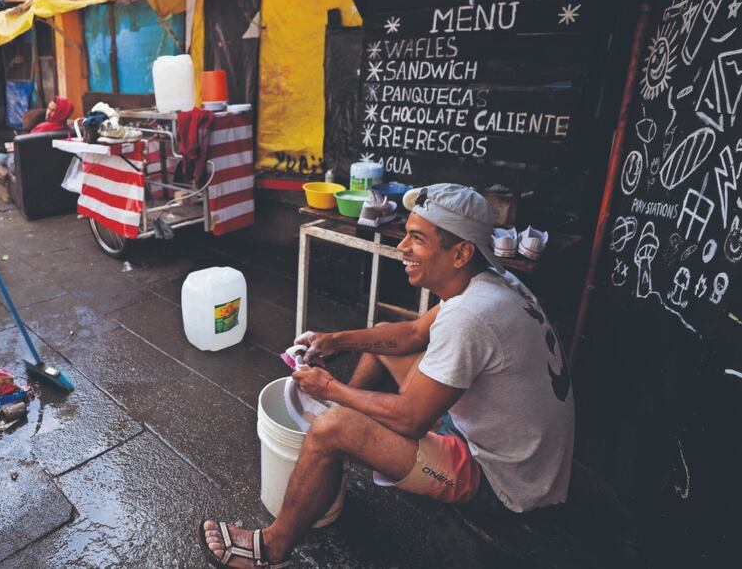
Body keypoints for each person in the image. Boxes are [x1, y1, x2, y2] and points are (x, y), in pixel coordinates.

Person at [199, 183, 575, 568]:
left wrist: (331, 388)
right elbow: (411, 334)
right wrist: (336, 340)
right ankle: (333, 447)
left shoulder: (471, 316)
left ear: (461, 252)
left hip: (502, 479)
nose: (402, 248)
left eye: (417, 239)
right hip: (513, 446)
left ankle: (273, 548)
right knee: (378, 342)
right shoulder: (492, 283)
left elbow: (411, 420)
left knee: (333, 428)